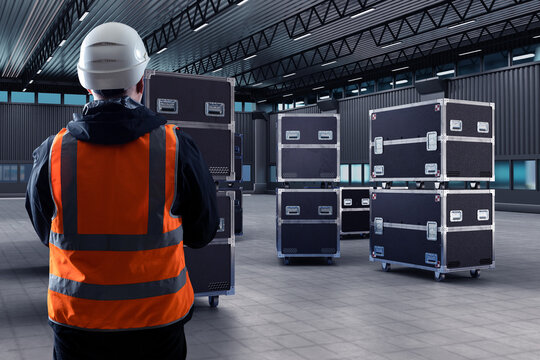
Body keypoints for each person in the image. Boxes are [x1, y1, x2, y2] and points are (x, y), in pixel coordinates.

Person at [25, 22, 219, 360]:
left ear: (87, 87)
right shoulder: (175, 147)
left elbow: (46, 232)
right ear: (141, 82)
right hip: (158, 326)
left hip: (77, 326)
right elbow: (203, 232)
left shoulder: (52, 153)